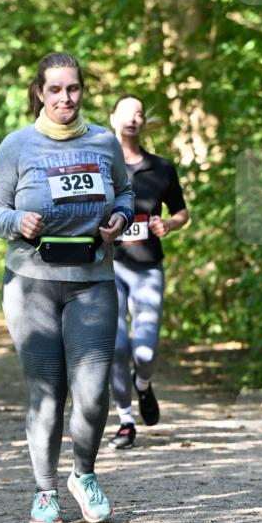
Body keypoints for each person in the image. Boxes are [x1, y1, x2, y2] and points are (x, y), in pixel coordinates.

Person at [0, 51, 134, 523]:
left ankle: (83, 475)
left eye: (73, 89)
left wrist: (120, 218)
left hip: (92, 281)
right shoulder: (17, 145)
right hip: (32, 284)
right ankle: (45, 490)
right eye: (55, 90)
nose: (65, 98)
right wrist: (17, 221)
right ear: (40, 93)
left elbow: (126, 193)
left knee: (92, 393)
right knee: (47, 391)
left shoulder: (104, 142)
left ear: (82, 91)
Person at [108, 94, 189, 449]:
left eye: (139, 113)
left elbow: (182, 212)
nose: (133, 119)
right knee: (117, 347)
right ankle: (125, 420)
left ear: (143, 122)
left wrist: (167, 224)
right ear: (112, 119)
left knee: (144, 352)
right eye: (126, 113)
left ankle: (143, 385)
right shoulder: (99, 166)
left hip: (147, 267)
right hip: (107, 267)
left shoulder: (162, 168)